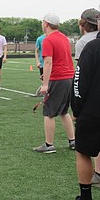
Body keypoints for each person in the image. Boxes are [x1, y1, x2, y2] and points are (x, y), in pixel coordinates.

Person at [33, 13, 75, 153]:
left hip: (58, 78)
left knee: (49, 112)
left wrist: (45, 84)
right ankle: (72, 141)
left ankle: (49, 144)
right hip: (68, 77)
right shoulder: (64, 38)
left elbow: (49, 61)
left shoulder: (48, 40)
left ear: (46, 23)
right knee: (64, 111)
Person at [71, 12, 100, 200]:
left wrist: (76, 110)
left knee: (83, 152)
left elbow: (79, 83)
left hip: (93, 111)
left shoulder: (92, 47)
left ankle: (85, 195)